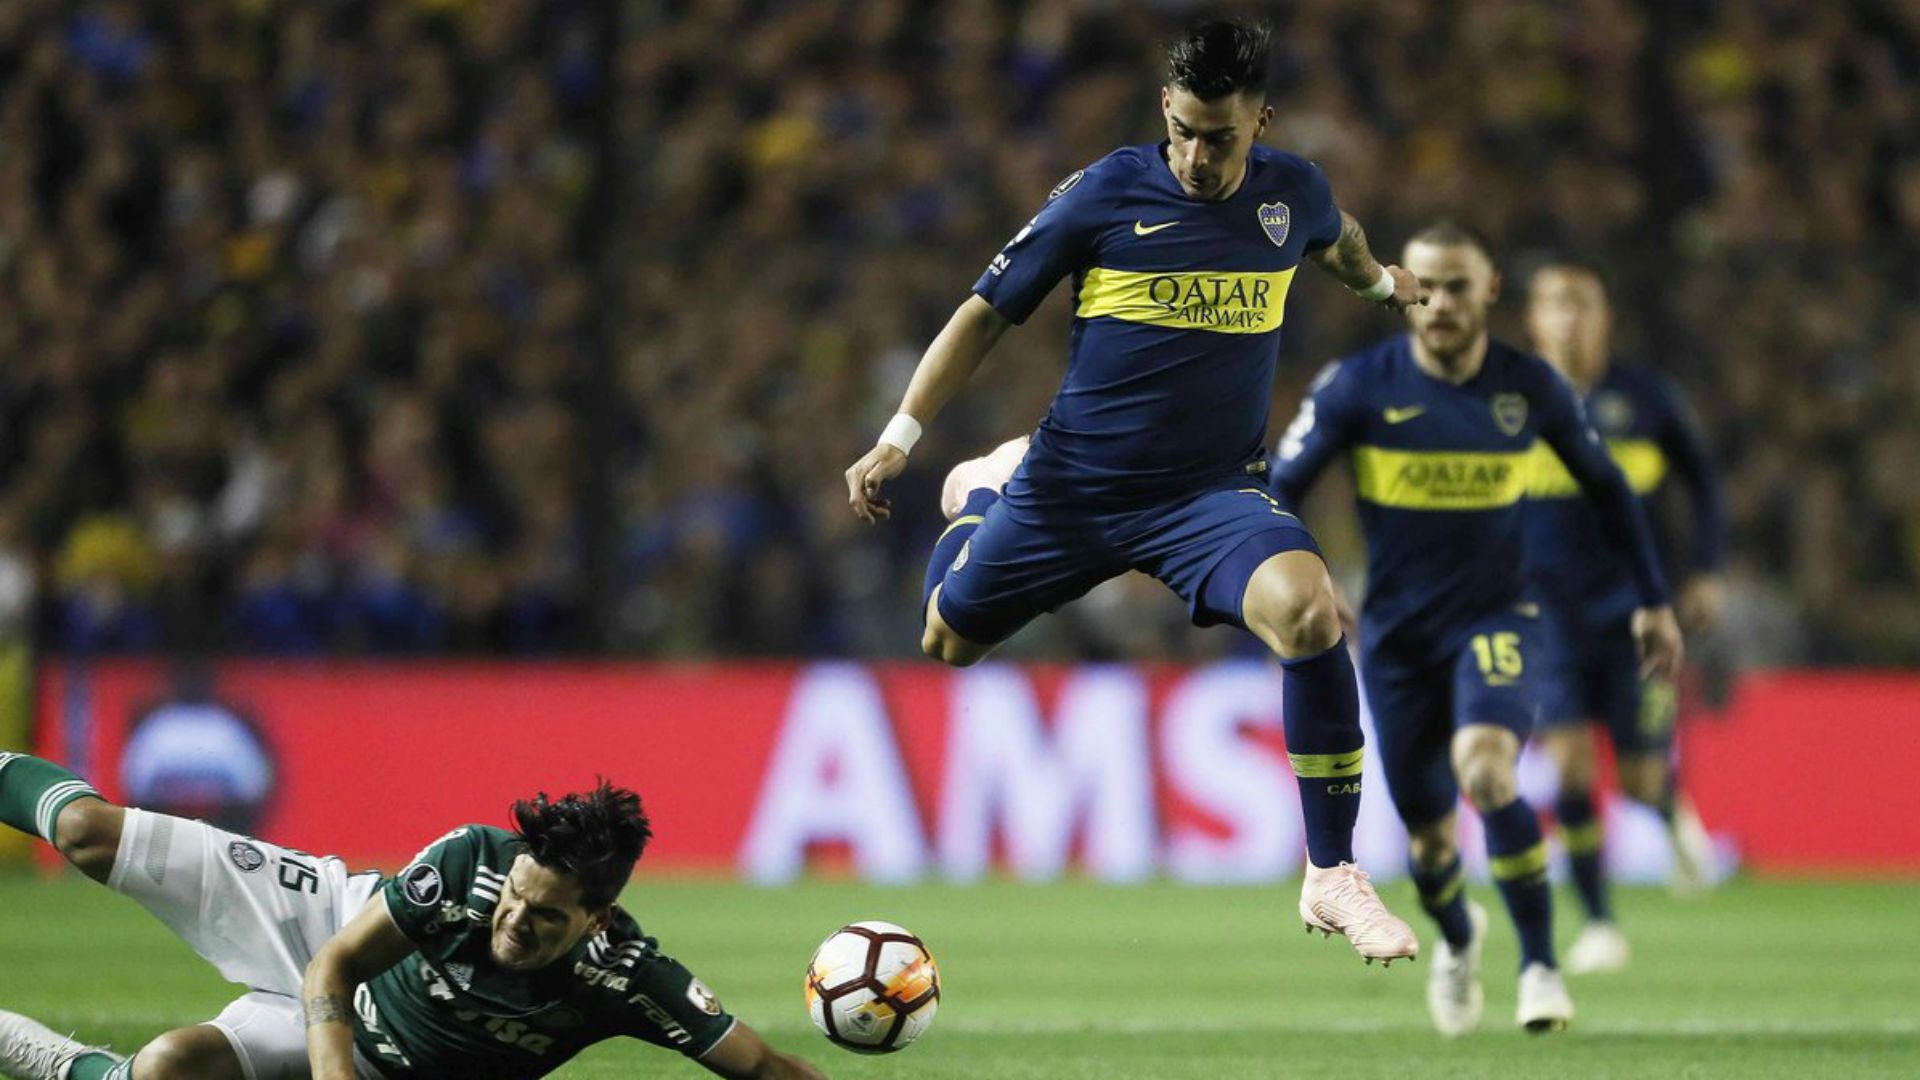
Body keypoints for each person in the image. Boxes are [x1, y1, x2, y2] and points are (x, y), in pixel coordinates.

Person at [843, 18, 1423, 963]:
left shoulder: (1293, 195)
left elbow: (1342, 241)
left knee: (1312, 613)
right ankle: (990, 490)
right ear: (1165, 108)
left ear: (1262, 122)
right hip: (1072, 486)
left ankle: (1333, 874)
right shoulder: (1107, 192)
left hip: (1209, 495)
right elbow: (984, 313)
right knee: (947, 639)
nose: (1197, 155)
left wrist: (1383, 285)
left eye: (1221, 137)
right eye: (1185, 130)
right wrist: (899, 436)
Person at [1267, 222, 1685, 1035]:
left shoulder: (1527, 387)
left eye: (1459, 286)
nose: (1442, 303)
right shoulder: (1357, 386)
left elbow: (1609, 487)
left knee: (1488, 774)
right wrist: (1303, 571)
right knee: (1428, 844)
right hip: (1396, 640)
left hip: (1499, 618)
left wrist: (1654, 598)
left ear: (1491, 291)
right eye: (1425, 285)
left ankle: (1540, 967)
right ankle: (1460, 940)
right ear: (1400, 287)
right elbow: (1280, 488)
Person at [0, 752, 826, 1080]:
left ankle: (56, 1061)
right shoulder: (468, 861)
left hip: (380, 1058)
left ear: (597, 920)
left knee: (166, 1070)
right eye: (515, 895)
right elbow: (336, 964)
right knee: (85, 832)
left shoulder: (627, 978)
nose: (514, 920)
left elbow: (765, 1071)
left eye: (544, 918)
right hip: (338, 928)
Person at [1523, 257, 1728, 974]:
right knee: (1572, 768)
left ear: (1605, 316)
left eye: (1582, 303)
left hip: (1637, 613)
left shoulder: (1646, 399)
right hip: (1543, 617)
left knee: (1639, 779)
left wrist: (1706, 569)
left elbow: (1704, 483)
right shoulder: (1510, 402)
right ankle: (1600, 922)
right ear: (1533, 319)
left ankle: (1671, 815)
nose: (1569, 318)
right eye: (1555, 304)